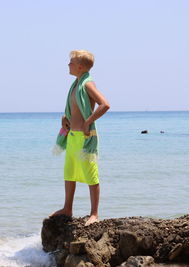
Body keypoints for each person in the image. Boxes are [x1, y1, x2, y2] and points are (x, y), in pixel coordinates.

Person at [50, 50, 110, 226]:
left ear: (80, 67)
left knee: (91, 174)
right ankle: (67, 208)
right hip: (72, 136)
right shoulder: (76, 84)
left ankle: (94, 214)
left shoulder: (87, 84)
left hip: (85, 136)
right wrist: (65, 117)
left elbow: (105, 104)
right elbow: (74, 107)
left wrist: (88, 121)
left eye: (71, 62)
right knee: (69, 173)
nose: (68, 64)